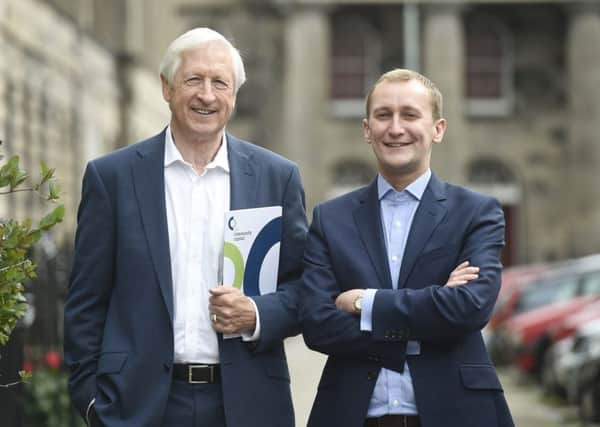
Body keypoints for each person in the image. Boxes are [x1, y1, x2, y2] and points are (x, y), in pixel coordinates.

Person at [64, 28, 307, 427]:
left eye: (219, 83)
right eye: (194, 80)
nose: (206, 95)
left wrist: (256, 313)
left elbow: (305, 288)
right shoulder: (113, 178)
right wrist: (91, 402)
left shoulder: (275, 178)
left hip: (247, 404)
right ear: (167, 88)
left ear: (234, 94)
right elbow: (85, 302)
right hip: (137, 406)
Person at [301, 69, 514, 427]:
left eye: (410, 115)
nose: (396, 128)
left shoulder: (476, 212)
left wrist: (364, 303)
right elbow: (317, 324)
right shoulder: (330, 218)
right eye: (384, 115)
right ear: (367, 129)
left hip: (457, 413)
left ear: (438, 129)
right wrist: (427, 318)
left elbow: (469, 307)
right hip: (352, 414)